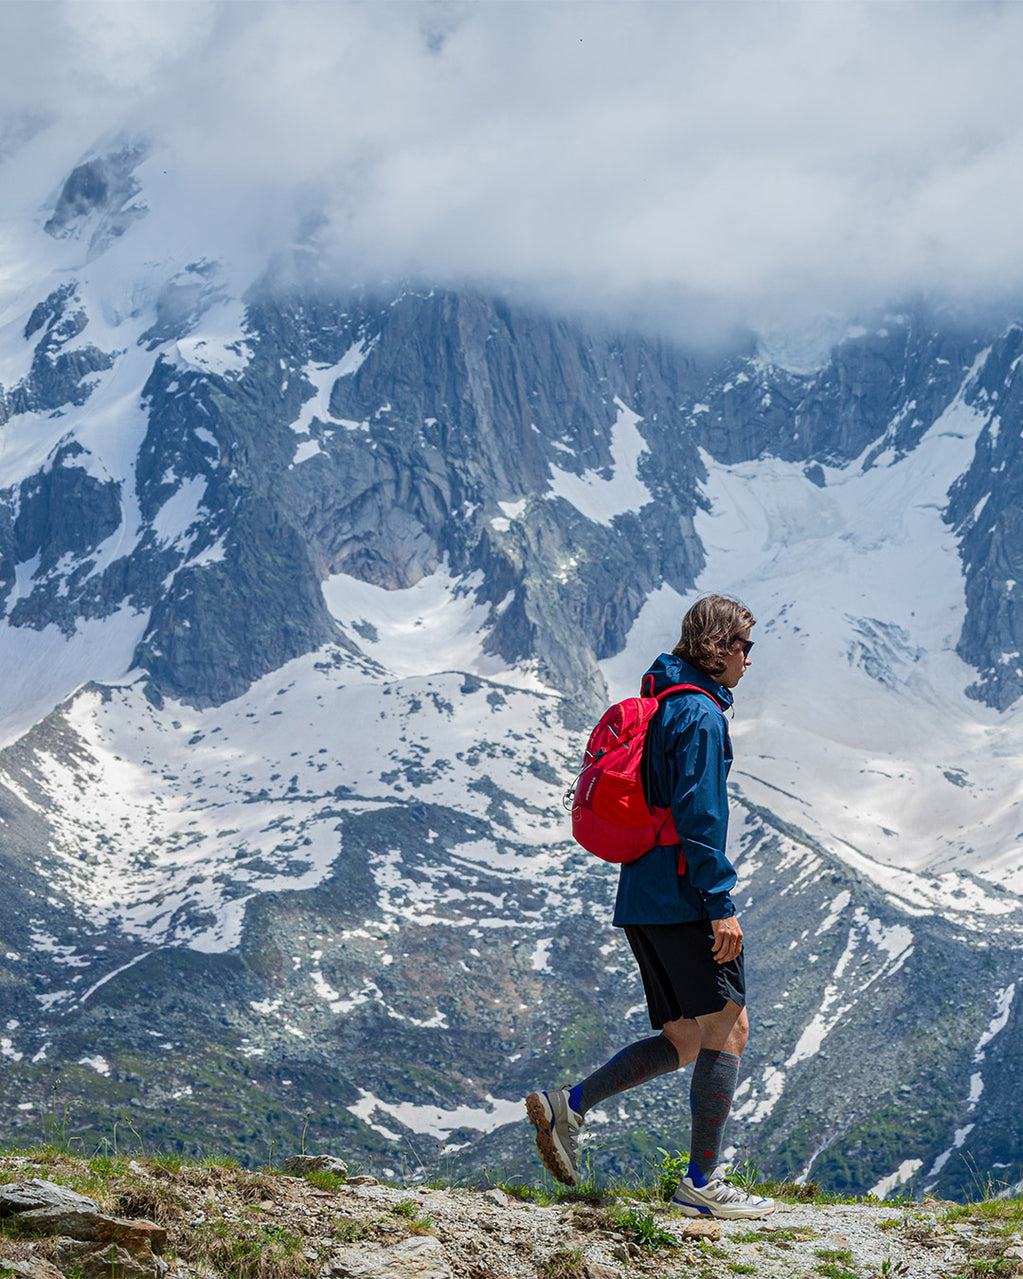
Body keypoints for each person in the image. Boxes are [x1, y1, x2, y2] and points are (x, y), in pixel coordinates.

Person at [526, 594, 775, 1220]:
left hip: (643, 893)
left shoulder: (666, 704)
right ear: (718, 647)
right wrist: (718, 902)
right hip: (683, 894)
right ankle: (700, 1187)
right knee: (730, 1025)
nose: (750, 657)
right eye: (745, 645)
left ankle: (570, 1104)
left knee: (687, 1035)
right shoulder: (699, 716)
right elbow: (700, 814)